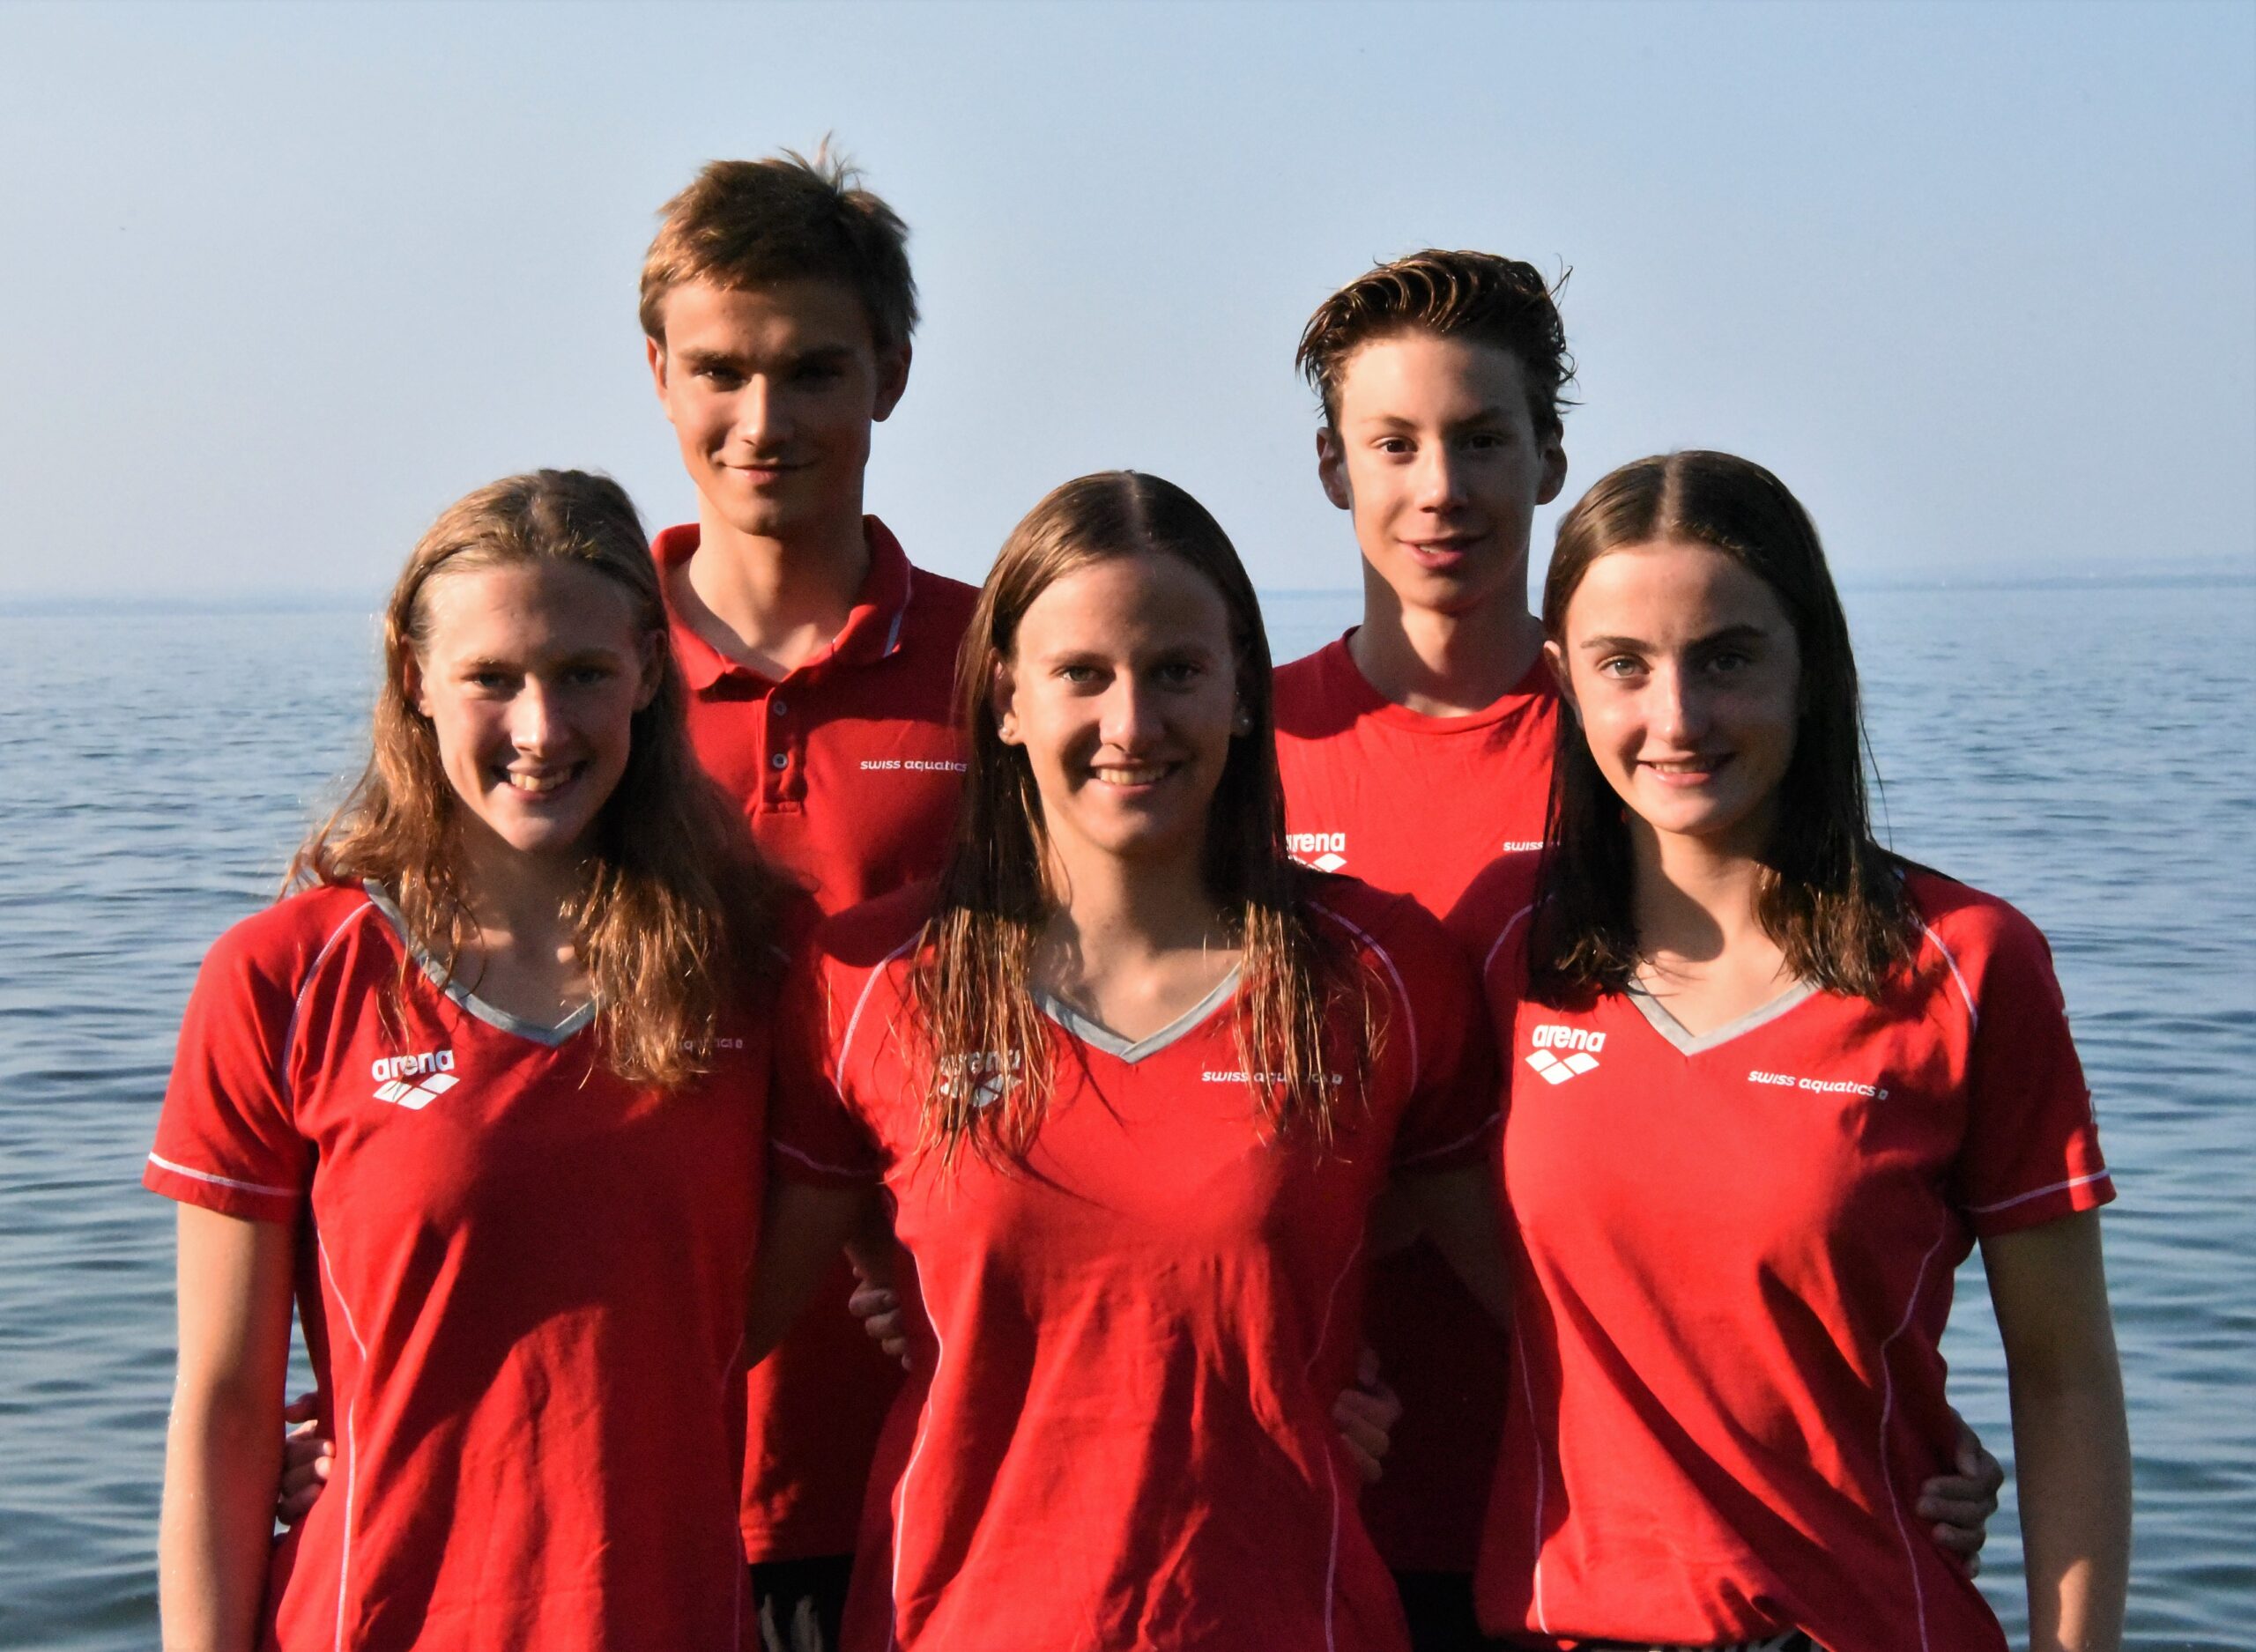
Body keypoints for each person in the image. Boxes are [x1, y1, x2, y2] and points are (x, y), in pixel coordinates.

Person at [1272, 250, 2002, 1646]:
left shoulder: (1660, 748)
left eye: (1484, 439)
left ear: (1550, 458)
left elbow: (1799, 1111)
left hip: (1616, 1537)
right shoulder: (1237, 755)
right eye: (1396, 443)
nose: (1443, 487)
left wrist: (1872, 1423)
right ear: (1331, 467)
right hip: (1315, 1504)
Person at [750, 471, 1510, 1652]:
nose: (1133, 724)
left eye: (1176, 671)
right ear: (1005, 699)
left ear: (1244, 692)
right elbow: (707, 1319)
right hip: (953, 1622)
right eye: (1082, 674)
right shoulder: (871, 983)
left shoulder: (1377, 975)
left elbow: (1557, 1296)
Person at [1454, 450, 2130, 1652]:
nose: (1677, 718)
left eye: (1727, 659)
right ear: (1563, 683)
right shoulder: (1503, 945)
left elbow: (2065, 1376)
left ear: (1810, 664)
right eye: (1625, 665)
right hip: (1563, 1625)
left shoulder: (1968, 964)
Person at [149, 470, 789, 1650]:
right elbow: (226, 1408)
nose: (540, 730)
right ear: (415, 678)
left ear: (651, 671)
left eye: (582, 674)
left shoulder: (754, 967)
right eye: (491, 678)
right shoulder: (286, 977)